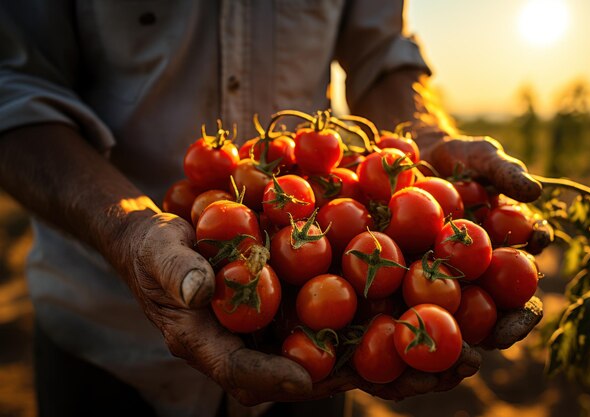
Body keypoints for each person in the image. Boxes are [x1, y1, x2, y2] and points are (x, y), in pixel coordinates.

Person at [0, 1, 542, 416]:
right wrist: (122, 229)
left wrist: (419, 135)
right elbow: (13, 85)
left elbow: (382, 56)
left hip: (313, 362)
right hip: (101, 332)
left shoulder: (334, 242)